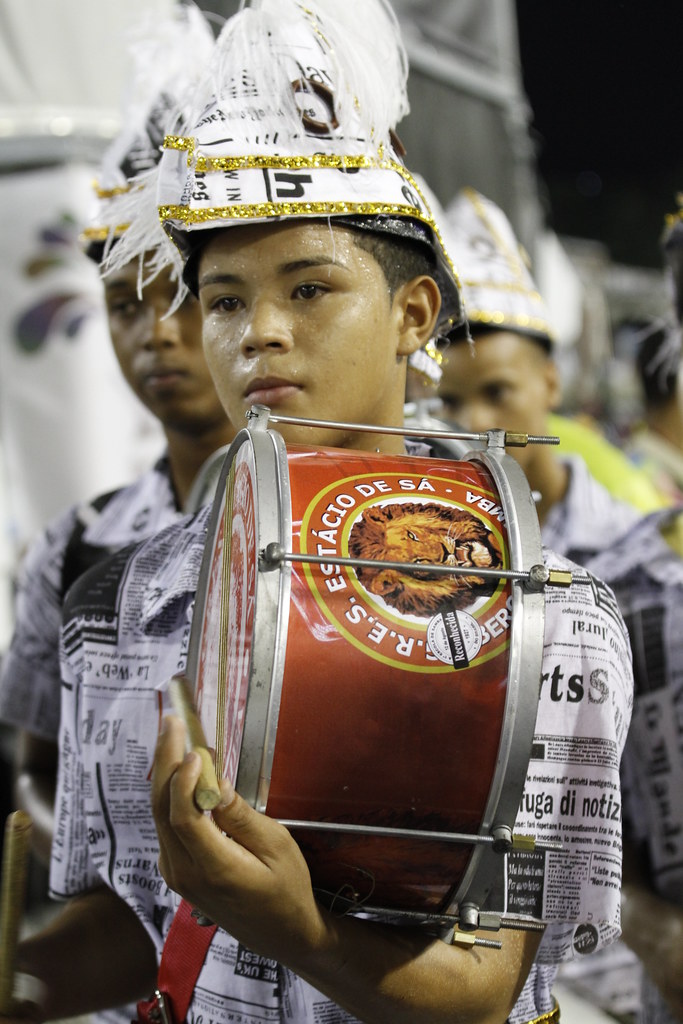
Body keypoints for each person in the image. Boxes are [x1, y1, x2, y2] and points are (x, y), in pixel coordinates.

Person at [7, 4, 632, 1024]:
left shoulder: (550, 618)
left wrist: (296, 930)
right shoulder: (117, 599)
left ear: (414, 315)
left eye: (309, 290)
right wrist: (22, 981)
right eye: (220, 300)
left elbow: (483, 987)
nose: (258, 333)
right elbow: (143, 924)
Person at [0, 2, 233, 867]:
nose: (155, 334)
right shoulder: (73, 551)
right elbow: (38, 782)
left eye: (178, 295)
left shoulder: (353, 530)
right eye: (123, 306)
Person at [434, 186, 642, 566]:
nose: (471, 423)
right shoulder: (425, 538)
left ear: (551, 383)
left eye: (496, 392)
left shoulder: (637, 557)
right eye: (449, 401)